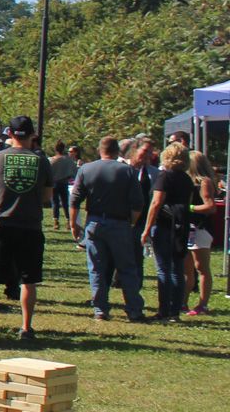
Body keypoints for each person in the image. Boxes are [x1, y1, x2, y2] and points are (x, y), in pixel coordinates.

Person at [0, 115, 52, 342]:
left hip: (0, 223)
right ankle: (26, 327)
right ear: (32, 136)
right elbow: (47, 197)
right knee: (28, 279)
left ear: (9, 133)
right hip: (30, 225)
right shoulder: (41, 161)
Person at [69, 136, 147, 322]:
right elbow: (138, 203)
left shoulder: (86, 169)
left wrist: (73, 223)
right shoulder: (127, 171)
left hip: (94, 222)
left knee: (96, 267)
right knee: (127, 267)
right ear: (117, 151)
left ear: (100, 150)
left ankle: (100, 309)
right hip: (119, 222)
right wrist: (131, 222)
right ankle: (134, 309)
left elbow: (75, 198)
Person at [141, 143, 197, 321]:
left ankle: (163, 310)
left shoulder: (164, 176)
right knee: (177, 269)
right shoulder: (186, 179)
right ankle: (175, 310)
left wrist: (147, 228)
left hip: (165, 226)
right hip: (181, 226)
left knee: (163, 269)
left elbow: (156, 203)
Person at [184, 151, 219, 317]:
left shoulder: (204, 182)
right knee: (187, 268)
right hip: (188, 228)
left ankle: (202, 304)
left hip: (200, 228)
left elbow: (210, 207)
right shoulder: (187, 181)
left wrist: (188, 208)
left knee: (201, 267)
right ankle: (182, 302)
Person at [49, 143, 77, 229]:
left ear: (55, 149)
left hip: (54, 184)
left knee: (55, 203)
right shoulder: (68, 160)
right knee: (65, 203)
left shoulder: (51, 160)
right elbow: (73, 172)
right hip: (64, 183)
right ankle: (68, 221)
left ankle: (56, 222)